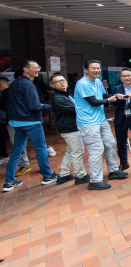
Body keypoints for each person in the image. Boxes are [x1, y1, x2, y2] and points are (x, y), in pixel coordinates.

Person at [3, 60, 57, 192]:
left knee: (17, 151)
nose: (38, 69)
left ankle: (9, 182)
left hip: (17, 122)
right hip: (31, 122)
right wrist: (53, 105)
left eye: (38, 67)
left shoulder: (15, 83)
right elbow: (34, 106)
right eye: (36, 67)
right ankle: (47, 176)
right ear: (25, 69)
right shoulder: (28, 85)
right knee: (41, 149)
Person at [74, 60, 127, 190]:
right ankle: (95, 180)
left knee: (110, 144)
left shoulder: (98, 82)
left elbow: (104, 95)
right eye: (94, 68)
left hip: (101, 120)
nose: (97, 70)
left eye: (98, 68)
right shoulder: (82, 83)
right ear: (86, 70)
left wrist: (115, 95)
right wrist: (109, 100)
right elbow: (93, 101)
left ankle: (113, 170)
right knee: (96, 150)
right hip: (88, 122)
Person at [50, 73, 90, 185]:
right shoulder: (59, 99)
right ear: (52, 85)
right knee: (78, 151)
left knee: (71, 151)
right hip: (69, 128)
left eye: (63, 80)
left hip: (70, 127)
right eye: (58, 81)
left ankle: (64, 174)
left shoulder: (65, 95)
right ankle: (81, 176)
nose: (62, 82)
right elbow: (75, 109)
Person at [0, 76, 30, 173]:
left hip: (28, 120)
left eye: (0, 84)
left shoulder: (24, 89)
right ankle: (23, 164)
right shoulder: (5, 93)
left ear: (7, 83)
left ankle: (45, 165)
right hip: (11, 121)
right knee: (17, 143)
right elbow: (3, 106)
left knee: (37, 143)